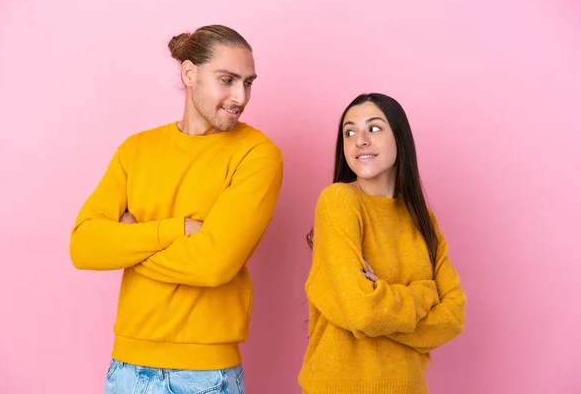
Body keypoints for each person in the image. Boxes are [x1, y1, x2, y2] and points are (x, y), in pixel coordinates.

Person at [69, 24, 283, 394]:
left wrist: (127, 244)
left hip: (206, 377)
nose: (240, 96)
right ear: (189, 73)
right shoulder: (136, 150)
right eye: (227, 79)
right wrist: (177, 229)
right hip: (127, 371)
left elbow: (213, 263)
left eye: (248, 82)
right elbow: (83, 246)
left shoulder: (257, 154)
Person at [299, 93, 466, 393]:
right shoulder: (339, 201)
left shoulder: (422, 219)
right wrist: (424, 294)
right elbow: (363, 312)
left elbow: (453, 318)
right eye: (349, 132)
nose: (360, 140)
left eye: (374, 128)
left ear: (400, 138)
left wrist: (383, 298)